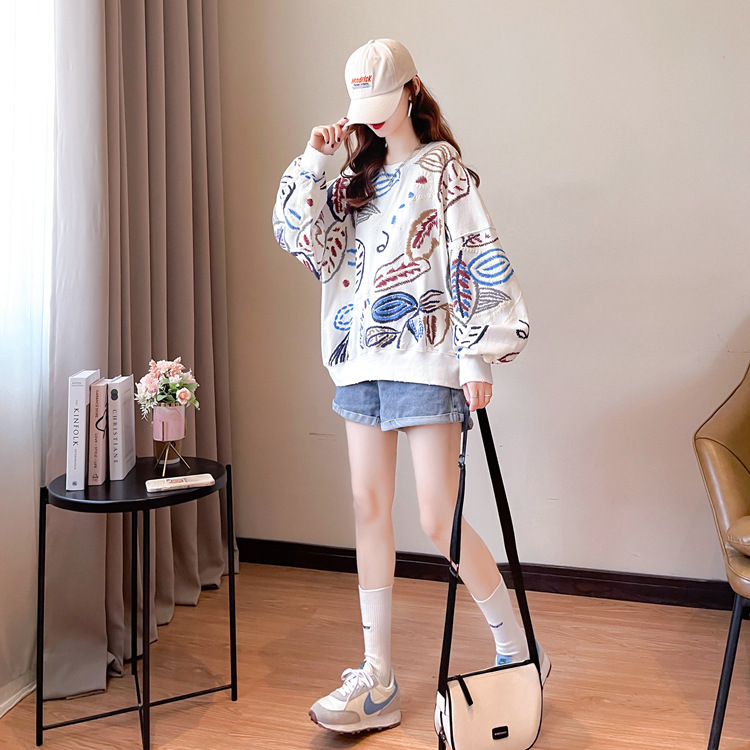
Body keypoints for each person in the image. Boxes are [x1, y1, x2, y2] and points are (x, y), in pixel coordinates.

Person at [272, 38, 549, 736]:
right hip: (359, 362)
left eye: (382, 98)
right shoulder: (352, 179)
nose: (371, 115)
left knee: (436, 518)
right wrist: (316, 160)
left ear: (411, 91)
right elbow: (301, 240)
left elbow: (472, 253)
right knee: (367, 508)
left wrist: (477, 358)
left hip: (426, 361)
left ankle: (518, 649)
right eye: (361, 103)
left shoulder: (440, 167)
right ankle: (378, 679)